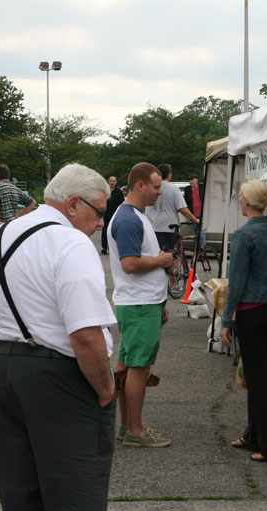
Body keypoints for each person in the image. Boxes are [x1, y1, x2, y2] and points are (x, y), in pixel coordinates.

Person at [0, 163, 117, 511]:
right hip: (58, 378)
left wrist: (11, 360)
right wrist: (105, 389)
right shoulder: (71, 242)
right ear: (72, 205)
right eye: (99, 212)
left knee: (20, 499)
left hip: (2, 369)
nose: (101, 223)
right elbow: (84, 332)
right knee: (75, 504)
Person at [219, 180, 267, 463]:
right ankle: (254, 434)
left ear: (246, 201)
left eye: (240, 196)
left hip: (252, 311)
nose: (238, 200)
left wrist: (225, 319)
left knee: (257, 378)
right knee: (258, 374)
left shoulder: (244, 234)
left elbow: (235, 282)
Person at [107, 162, 175, 448]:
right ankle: (135, 430)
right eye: (157, 186)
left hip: (143, 302)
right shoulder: (129, 219)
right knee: (139, 367)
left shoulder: (135, 215)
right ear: (140, 185)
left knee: (128, 365)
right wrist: (161, 261)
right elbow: (130, 263)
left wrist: (160, 299)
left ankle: (127, 427)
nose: (161, 191)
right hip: (138, 304)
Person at [145, 163, 198, 252]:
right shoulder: (173, 189)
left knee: (155, 255)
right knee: (171, 256)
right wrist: (195, 220)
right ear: (169, 175)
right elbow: (183, 209)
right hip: (168, 228)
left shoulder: (150, 188)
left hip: (152, 228)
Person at [101, 175, 125, 255]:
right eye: (111, 181)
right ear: (108, 182)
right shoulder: (105, 191)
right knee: (105, 231)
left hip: (115, 214)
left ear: (116, 182)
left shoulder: (119, 192)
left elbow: (121, 203)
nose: (112, 182)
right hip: (106, 214)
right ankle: (104, 247)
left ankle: (113, 248)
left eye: (113, 181)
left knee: (114, 231)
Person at [183, 174, 206, 246]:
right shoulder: (187, 189)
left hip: (202, 215)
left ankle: (202, 252)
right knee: (194, 235)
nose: (190, 181)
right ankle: (197, 249)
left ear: (197, 180)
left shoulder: (203, 187)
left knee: (201, 235)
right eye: (189, 180)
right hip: (193, 215)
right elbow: (185, 201)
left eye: (192, 179)